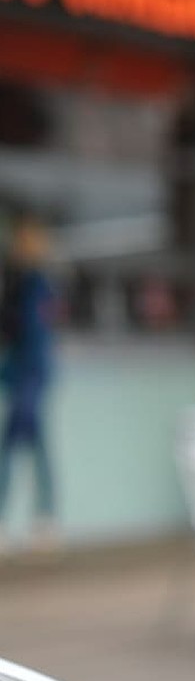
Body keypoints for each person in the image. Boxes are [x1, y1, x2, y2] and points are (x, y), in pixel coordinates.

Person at [0, 213, 59, 553]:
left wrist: (27, 380)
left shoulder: (35, 283)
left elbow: (33, 334)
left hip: (30, 377)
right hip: (22, 375)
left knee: (18, 448)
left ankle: (42, 521)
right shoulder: (18, 281)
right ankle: (43, 520)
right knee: (30, 449)